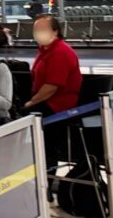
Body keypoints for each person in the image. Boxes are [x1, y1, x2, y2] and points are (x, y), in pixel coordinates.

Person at [25, 15, 83, 163]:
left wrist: (32, 102)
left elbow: (52, 86)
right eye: (36, 29)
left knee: (20, 117)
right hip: (46, 101)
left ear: (55, 31)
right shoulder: (45, 50)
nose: (38, 32)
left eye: (43, 29)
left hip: (58, 106)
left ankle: (45, 168)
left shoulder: (60, 52)